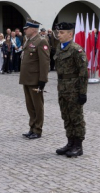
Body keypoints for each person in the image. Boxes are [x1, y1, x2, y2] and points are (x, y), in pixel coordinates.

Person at [53, 22, 88, 158]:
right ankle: (70, 142)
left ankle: (78, 145)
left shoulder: (76, 49)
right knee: (66, 116)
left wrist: (82, 92)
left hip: (74, 89)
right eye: (58, 33)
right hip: (62, 88)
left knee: (76, 117)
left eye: (62, 33)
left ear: (70, 34)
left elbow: (83, 72)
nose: (59, 35)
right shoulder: (59, 48)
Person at [18, 20, 50, 140]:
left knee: (37, 105)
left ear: (33, 29)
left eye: (27, 28)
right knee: (30, 105)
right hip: (27, 78)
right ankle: (32, 127)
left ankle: (38, 129)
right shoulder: (29, 41)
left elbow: (44, 62)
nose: (24, 30)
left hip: (35, 79)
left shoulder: (41, 41)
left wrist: (43, 80)